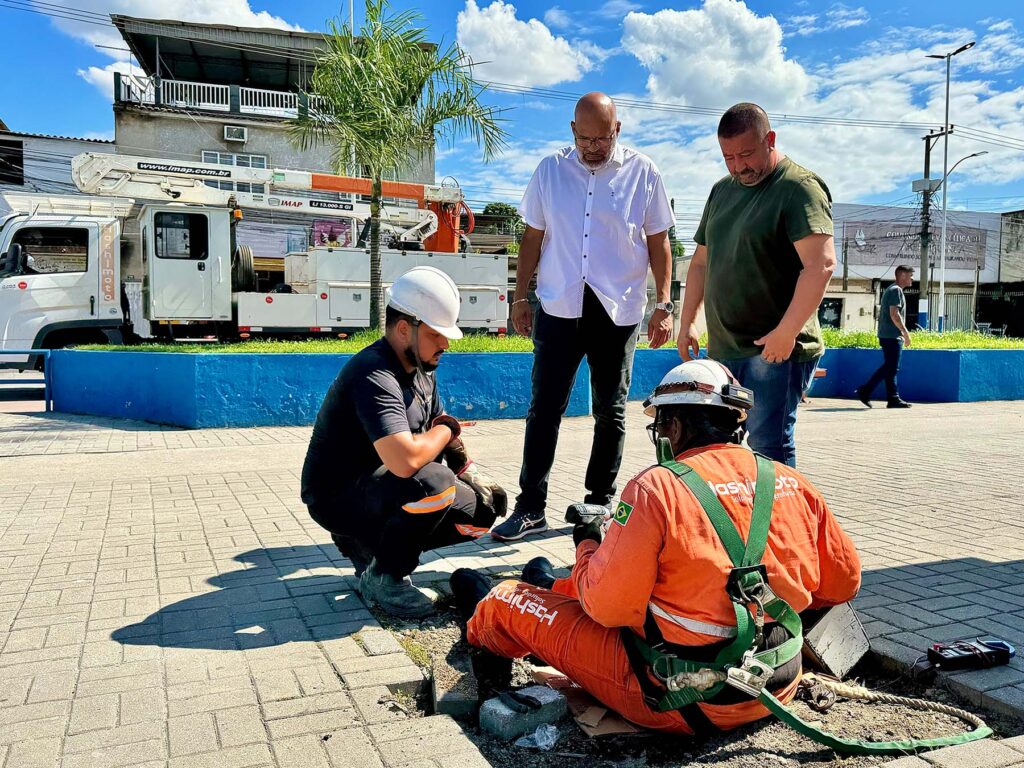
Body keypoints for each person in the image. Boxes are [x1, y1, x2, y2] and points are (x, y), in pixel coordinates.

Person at [451, 359, 861, 736]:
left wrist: (589, 546)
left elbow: (607, 609)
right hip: (774, 689)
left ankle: (486, 625)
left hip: (679, 701)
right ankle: (547, 584)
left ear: (675, 428)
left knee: (506, 600)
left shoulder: (657, 488)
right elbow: (842, 584)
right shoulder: (791, 480)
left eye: (660, 428)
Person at [492, 92, 676, 541]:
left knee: (610, 411)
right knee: (544, 409)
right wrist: (520, 298)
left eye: (602, 138)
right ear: (572, 130)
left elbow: (659, 243)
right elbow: (532, 239)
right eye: (585, 138)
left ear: (618, 129)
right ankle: (531, 505)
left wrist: (664, 303)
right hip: (558, 305)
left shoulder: (644, 173)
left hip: (618, 309)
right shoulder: (550, 171)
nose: (593, 147)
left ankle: (599, 501)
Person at [300, 266, 507, 618]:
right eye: (436, 334)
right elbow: (406, 460)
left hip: (381, 489)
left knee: (482, 512)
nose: (445, 343)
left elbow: (441, 434)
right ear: (402, 328)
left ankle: (371, 549)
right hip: (337, 497)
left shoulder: (422, 370)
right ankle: (385, 577)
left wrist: (470, 471)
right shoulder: (374, 373)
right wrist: (449, 429)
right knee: (435, 485)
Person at [677, 103, 836, 467]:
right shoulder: (721, 190)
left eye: (746, 153)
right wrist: (687, 322)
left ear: (770, 139)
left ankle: (780, 523)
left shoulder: (799, 188)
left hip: (774, 350)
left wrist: (787, 331)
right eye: (728, 157)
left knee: (769, 445)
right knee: (720, 446)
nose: (738, 166)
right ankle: (740, 519)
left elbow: (821, 264)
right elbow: (700, 263)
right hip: (725, 347)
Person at [857, 266, 913, 408]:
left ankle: (893, 398)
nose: (912, 278)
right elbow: (894, 314)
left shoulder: (893, 289)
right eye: (910, 275)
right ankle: (865, 390)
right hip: (892, 336)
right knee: (891, 367)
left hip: (888, 335)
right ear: (902, 276)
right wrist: (905, 332)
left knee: (892, 368)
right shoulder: (896, 290)